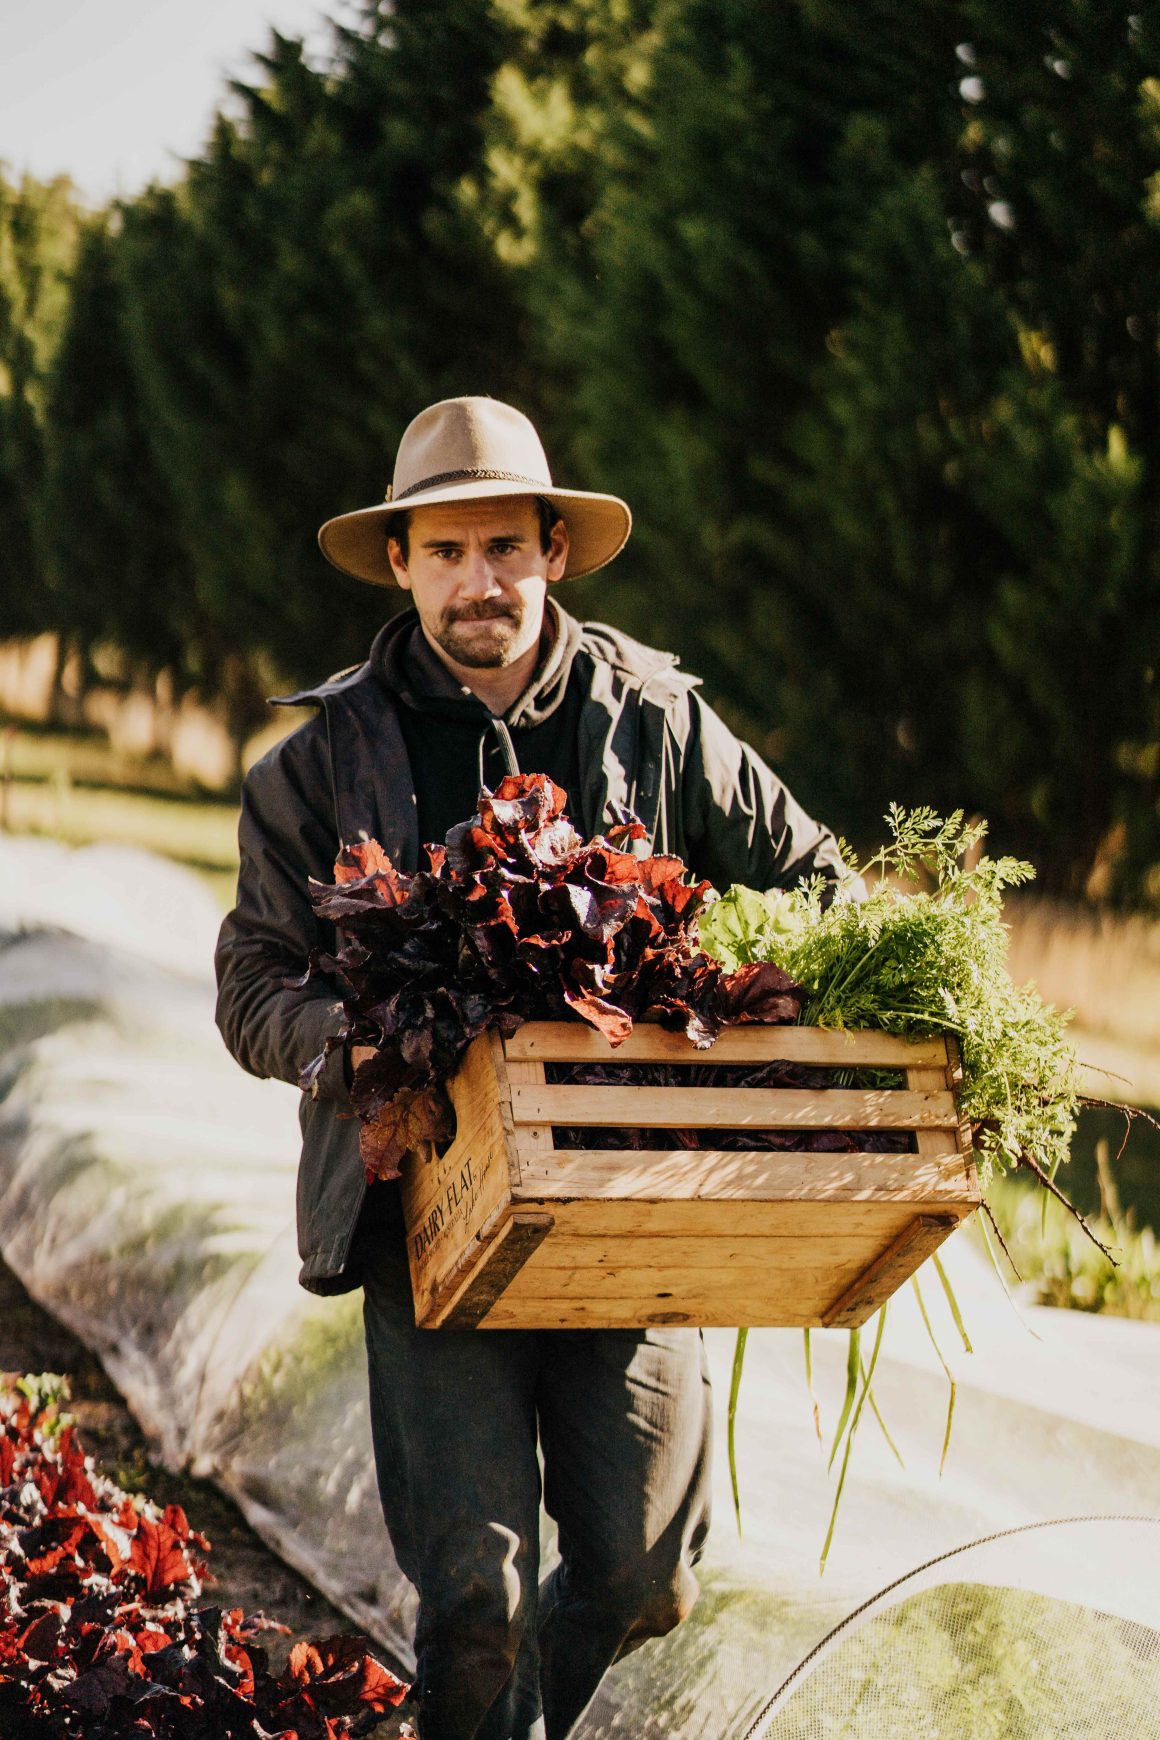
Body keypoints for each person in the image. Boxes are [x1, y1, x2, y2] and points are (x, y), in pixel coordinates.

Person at [214, 396, 851, 1740]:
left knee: (642, 1571)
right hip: (428, 1218)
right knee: (472, 1601)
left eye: (503, 546)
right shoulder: (317, 768)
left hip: (629, 1200)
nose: (476, 582)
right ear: (400, 563)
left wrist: (757, 990)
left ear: (554, 549)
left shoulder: (660, 724)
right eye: (444, 552)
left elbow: (815, 879)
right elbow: (251, 982)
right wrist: (352, 1045)